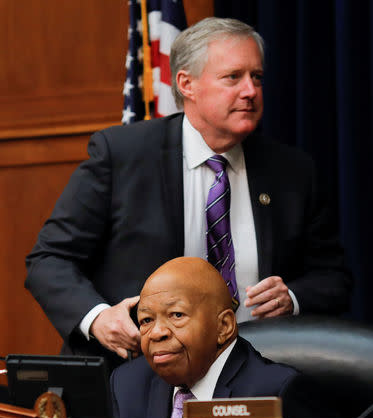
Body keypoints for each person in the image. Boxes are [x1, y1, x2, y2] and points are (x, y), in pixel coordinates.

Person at [25, 17, 352, 369]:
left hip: (257, 375)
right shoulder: (123, 155)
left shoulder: (292, 172)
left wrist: (292, 297)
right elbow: (49, 260)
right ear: (186, 84)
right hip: (136, 377)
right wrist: (98, 318)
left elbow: (334, 278)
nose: (250, 91)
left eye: (256, 77)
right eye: (233, 77)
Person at [111, 257, 340, 418]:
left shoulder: (278, 391)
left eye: (177, 315)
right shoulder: (127, 384)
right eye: (146, 320)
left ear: (224, 327)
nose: (156, 332)